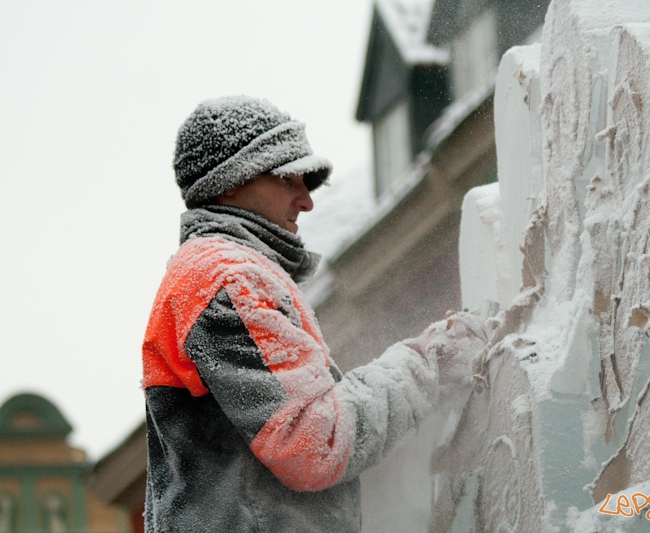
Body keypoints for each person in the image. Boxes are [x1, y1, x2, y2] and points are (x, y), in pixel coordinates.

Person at [141, 95, 486, 532]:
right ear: (230, 181)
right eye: (288, 178)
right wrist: (428, 362)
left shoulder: (211, 274)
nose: (306, 200)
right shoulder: (228, 278)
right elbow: (314, 443)